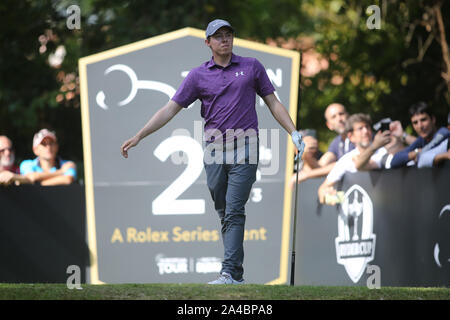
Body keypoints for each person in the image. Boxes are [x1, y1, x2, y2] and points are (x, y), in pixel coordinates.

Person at [120, 19, 305, 285]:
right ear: (208, 42)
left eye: (228, 35)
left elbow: (273, 102)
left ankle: (229, 272)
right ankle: (235, 274)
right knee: (224, 210)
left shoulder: (251, 66)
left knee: (233, 210)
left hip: (246, 147)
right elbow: (169, 109)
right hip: (214, 150)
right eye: (218, 37)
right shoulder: (198, 75)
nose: (224, 40)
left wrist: (293, 132)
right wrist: (139, 135)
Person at [318, 113, 391, 205]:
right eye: (360, 129)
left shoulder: (384, 151)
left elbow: (361, 165)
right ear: (350, 136)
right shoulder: (346, 160)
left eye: (367, 127)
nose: (365, 131)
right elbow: (322, 190)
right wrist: (330, 197)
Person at [290, 103, 354, 186]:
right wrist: (306, 154)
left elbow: (344, 164)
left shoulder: (360, 134)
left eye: (341, 114)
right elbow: (320, 166)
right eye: (334, 117)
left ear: (348, 116)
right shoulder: (336, 142)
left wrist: (307, 174)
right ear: (329, 125)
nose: (339, 119)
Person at [390, 102, 449, 168]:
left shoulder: (444, 132)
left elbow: (424, 154)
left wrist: (418, 154)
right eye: (415, 123)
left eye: (423, 120)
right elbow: (394, 161)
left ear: (433, 119)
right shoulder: (421, 140)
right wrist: (415, 153)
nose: (420, 126)